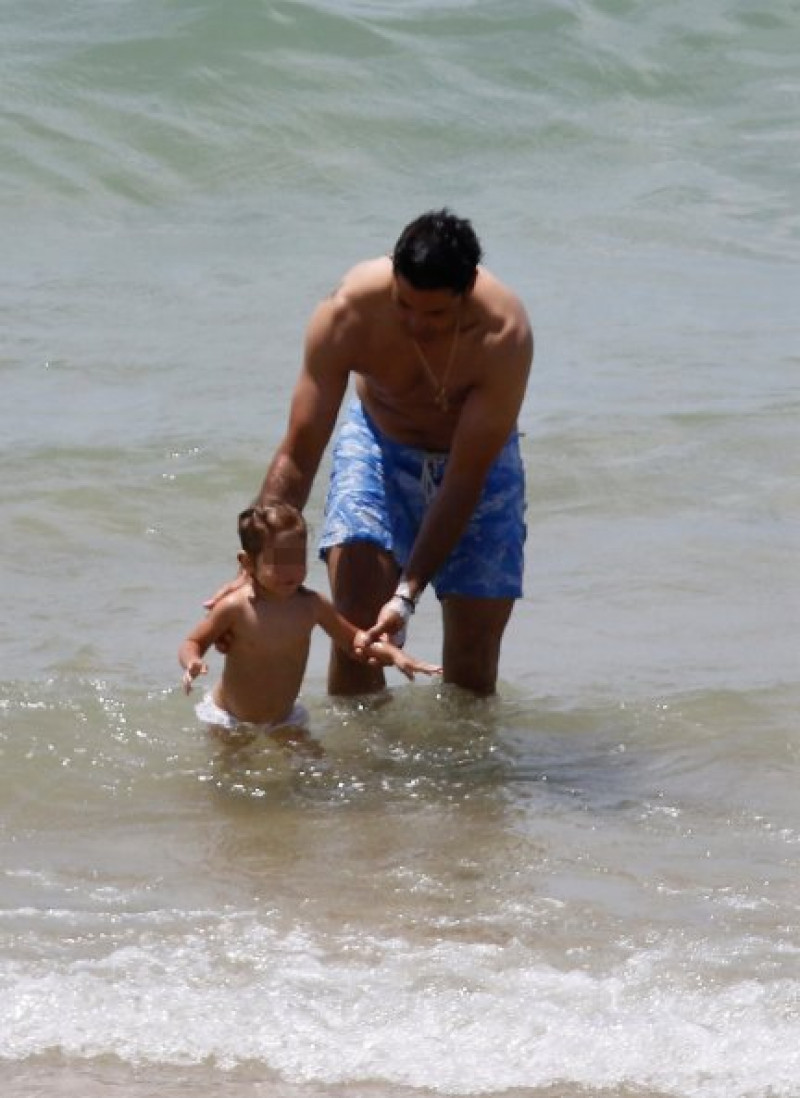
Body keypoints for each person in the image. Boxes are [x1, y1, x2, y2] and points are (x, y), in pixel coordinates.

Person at [210, 208, 533, 696]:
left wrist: (407, 595)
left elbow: (465, 479)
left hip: (476, 466)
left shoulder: (503, 336)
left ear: (467, 288)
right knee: (356, 628)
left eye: (436, 314)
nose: (416, 325)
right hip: (379, 443)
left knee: (471, 663)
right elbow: (300, 449)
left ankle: (462, 773)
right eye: (405, 305)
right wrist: (250, 568)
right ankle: (360, 767)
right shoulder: (349, 312)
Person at [182, 503, 440, 746]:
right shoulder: (235, 608)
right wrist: (192, 661)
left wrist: (396, 655)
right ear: (248, 562)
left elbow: (354, 640)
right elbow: (193, 642)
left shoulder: (311, 605)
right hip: (231, 718)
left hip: (284, 718)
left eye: (298, 559)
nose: (291, 570)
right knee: (230, 778)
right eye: (280, 561)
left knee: (315, 769)